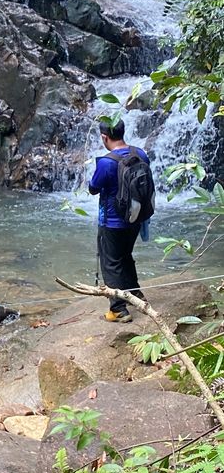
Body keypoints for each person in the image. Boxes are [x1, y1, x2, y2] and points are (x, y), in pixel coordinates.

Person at [88, 118, 151, 323]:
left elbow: (93, 188)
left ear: (104, 137)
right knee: (126, 256)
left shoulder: (107, 162)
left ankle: (118, 309)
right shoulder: (140, 153)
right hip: (135, 217)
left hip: (112, 222)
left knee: (111, 263)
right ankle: (135, 294)